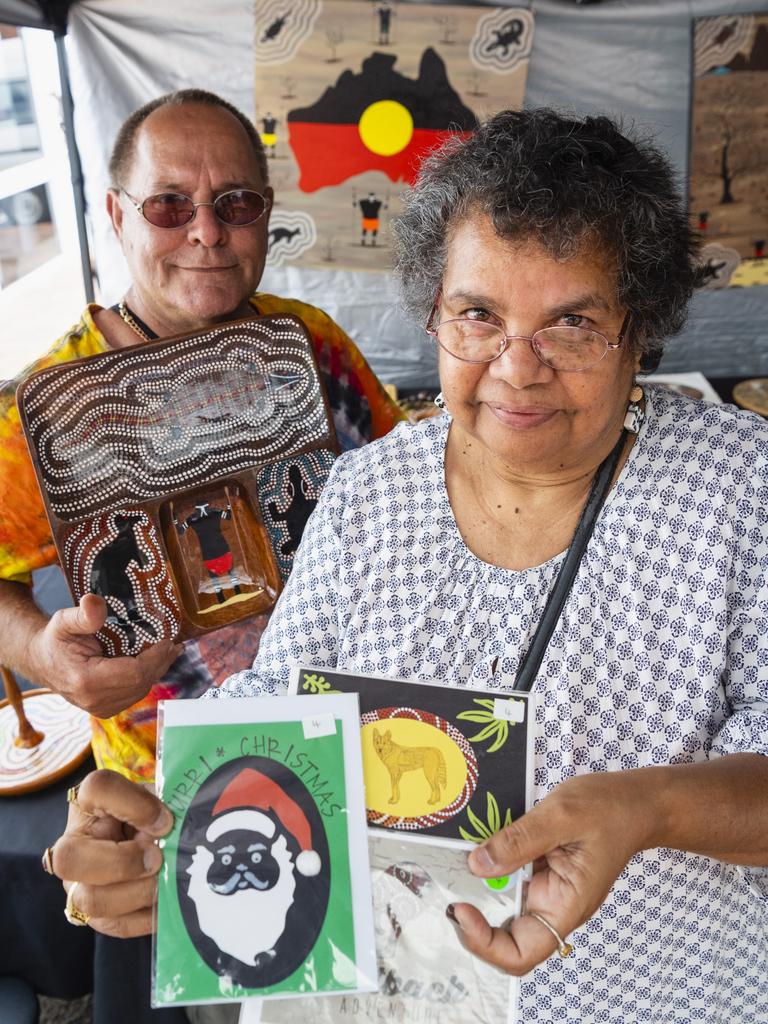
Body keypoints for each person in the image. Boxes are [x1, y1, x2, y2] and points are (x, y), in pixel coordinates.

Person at [49, 109, 767, 1022]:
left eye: (573, 323)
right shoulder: (365, 495)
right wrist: (161, 820)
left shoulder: (741, 487)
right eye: (477, 315)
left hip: (660, 993)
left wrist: (653, 809)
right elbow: (279, 712)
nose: (517, 368)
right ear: (434, 313)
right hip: (414, 991)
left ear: (641, 328)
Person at [0, 88, 402, 784]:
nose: (208, 232)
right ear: (117, 215)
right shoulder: (49, 408)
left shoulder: (312, 346)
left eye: (236, 203)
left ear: (266, 214)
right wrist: (42, 653)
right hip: (163, 777)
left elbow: (404, 496)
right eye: (169, 205)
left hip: (347, 738)